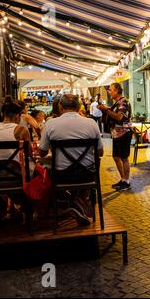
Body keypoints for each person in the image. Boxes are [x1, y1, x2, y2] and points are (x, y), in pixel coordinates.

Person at [39, 94, 103, 225]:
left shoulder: (50, 124)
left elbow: (42, 152)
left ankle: (68, 204)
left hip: (61, 176)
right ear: (79, 107)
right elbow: (100, 152)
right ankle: (78, 201)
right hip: (87, 176)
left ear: (60, 106)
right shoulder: (91, 123)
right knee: (95, 165)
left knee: (43, 171)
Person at [0, 101, 31, 221]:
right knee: (35, 173)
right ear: (18, 116)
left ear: (3, 114)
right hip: (14, 181)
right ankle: (29, 210)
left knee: (10, 170)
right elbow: (29, 154)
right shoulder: (21, 130)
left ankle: (14, 210)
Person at [97, 83, 133, 191]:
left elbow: (119, 117)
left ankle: (126, 181)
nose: (109, 92)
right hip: (117, 134)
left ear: (117, 90)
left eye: (111, 90)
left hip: (124, 133)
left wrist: (106, 110)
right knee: (116, 157)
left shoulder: (123, 102)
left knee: (124, 158)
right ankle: (123, 179)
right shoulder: (117, 103)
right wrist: (105, 109)